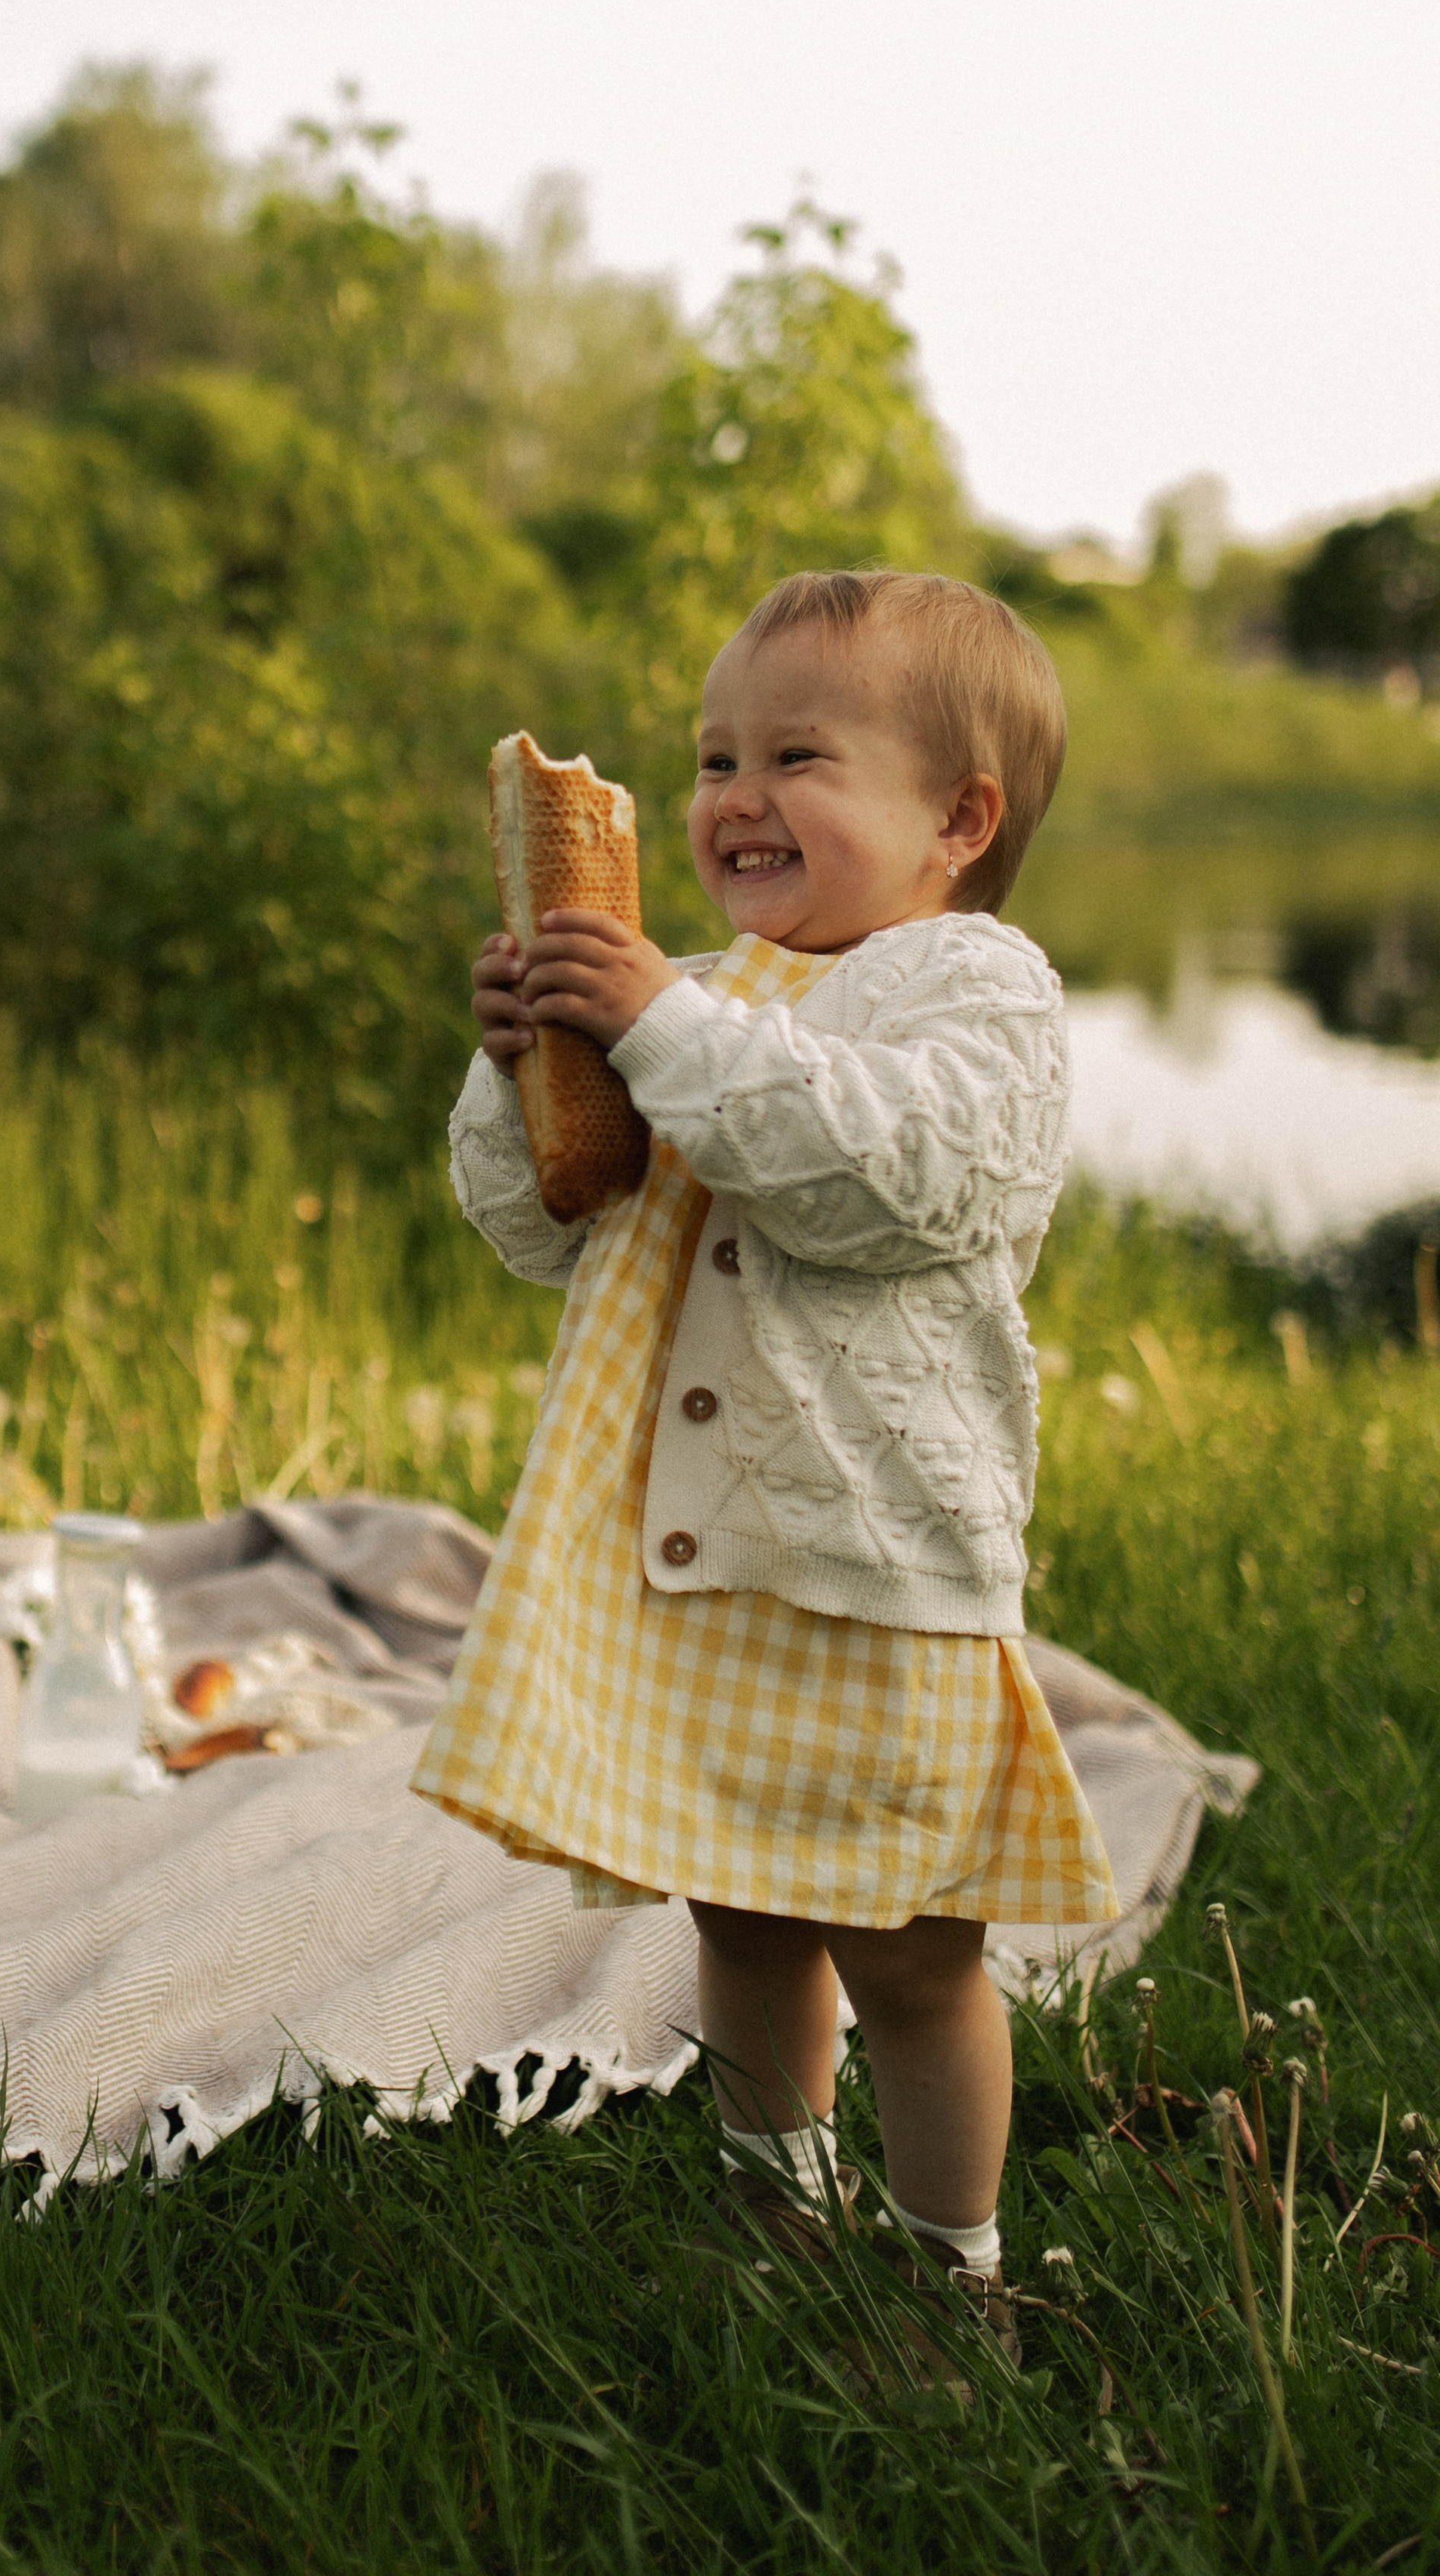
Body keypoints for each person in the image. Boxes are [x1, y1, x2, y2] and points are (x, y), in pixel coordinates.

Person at [411, 567, 1117, 2349]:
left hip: (878, 1562)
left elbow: (879, 1179)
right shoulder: (701, 991)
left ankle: (946, 2269)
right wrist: (525, 1076)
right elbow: (545, 1223)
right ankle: (769, 2201)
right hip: (699, 1551)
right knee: (738, 1907)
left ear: (956, 820)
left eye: (795, 754)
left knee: (908, 1949)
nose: (731, 796)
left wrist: (656, 1019)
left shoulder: (971, 988)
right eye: (715, 754)